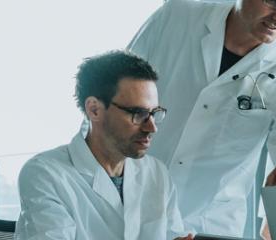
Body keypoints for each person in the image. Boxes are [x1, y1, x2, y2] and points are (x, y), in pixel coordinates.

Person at [125, 0, 276, 237]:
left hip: (209, 217)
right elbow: (114, 84)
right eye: (274, 2)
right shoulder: (176, 16)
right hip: (130, 193)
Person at [17, 51, 193, 240]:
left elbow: (173, 234)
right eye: (138, 113)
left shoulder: (157, 173)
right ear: (94, 110)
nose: (152, 127)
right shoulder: (45, 174)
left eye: (154, 113)